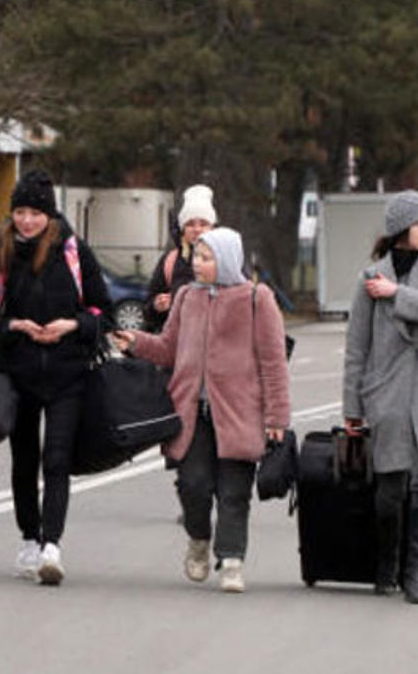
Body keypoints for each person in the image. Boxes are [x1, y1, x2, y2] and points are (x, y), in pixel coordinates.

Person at [111, 227, 290, 593]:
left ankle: (232, 561)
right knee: (193, 484)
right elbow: (168, 349)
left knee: (234, 491)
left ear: (225, 260)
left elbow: (274, 364)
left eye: (206, 258)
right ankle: (198, 541)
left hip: (240, 414)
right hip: (191, 412)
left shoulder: (257, 299)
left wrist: (276, 419)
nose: (197, 264)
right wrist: (137, 342)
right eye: (197, 256)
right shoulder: (187, 298)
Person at [0, 169, 114, 586]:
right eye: (20, 212)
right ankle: (29, 539)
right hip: (18, 375)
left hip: (68, 374)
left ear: (49, 215)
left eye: (34, 213)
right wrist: (13, 327)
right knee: (24, 461)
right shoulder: (0, 256)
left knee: (57, 459)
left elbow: (103, 312)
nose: (26, 221)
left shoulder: (74, 253)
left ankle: (52, 546)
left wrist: (72, 326)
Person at [342, 191, 418, 605]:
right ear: (400, 229)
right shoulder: (370, 276)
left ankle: (416, 574)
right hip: (388, 395)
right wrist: (352, 408)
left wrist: (395, 294)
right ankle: (386, 566)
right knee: (390, 491)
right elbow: (357, 347)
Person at [145, 184, 216, 331]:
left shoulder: (229, 260)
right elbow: (148, 311)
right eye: (190, 224)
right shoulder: (170, 261)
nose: (197, 229)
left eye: (203, 224)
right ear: (182, 229)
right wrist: (156, 307)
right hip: (177, 346)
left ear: (213, 227)